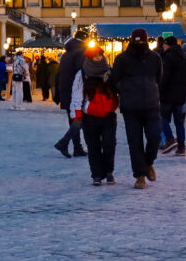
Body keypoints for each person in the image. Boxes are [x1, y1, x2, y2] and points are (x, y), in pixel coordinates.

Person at [112, 27, 163, 189]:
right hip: (130, 107)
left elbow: (159, 78)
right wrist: (126, 89)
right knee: (135, 143)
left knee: (154, 137)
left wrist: (150, 89)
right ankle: (139, 176)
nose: (139, 43)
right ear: (132, 41)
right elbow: (115, 81)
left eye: (142, 40)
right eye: (137, 41)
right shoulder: (122, 59)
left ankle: (148, 163)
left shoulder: (155, 58)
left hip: (151, 105)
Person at [70, 44, 119, 185]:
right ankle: (96, 175)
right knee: (93, 147)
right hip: (90, 116)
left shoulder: (110, 71)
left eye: (100, 55)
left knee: (109, 145)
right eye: (95, 55)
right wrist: (77, 116)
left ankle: (109, 171)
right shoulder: (82, 74)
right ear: (89, 58)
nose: (98, 58)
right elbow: (77, 95)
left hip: (108, 115)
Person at [53, 32, 89, 158]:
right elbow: (82, 72)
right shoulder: (80, 53)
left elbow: (58, 74)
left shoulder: (66, 54)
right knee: (80, 119)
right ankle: (64, 142)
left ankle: (77, 147)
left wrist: (57, 92)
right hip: (76, 92)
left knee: (74, 119)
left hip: (66, 91)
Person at [160, 35, 186, 156]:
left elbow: (164, 78)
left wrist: (159, 89)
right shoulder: (184, 58)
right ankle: (181, 148)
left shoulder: (168, 57)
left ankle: (170, 139)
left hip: (167, 95)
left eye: (164, 44)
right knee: (179, 122)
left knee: (161, 118)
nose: (162, 46)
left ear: (168, 45)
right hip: (180, 95)